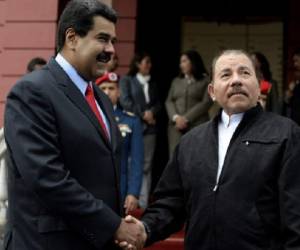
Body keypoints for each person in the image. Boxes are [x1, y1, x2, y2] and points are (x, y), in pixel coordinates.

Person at [120, 49, 300, 250]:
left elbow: (295, 212)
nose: (236, 80)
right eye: (226, 75)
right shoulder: (191, 142)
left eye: (245, 73)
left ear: (259, 87)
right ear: (212, 92)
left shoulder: (285, 133)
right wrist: (146, 228)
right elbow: (171, 201)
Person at [3, 1, 145, 250]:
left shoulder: (101, 98)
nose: (110, 50)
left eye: (112, 41)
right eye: (102, 39)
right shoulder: (32, 92)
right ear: (72, 38)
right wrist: (113, 225)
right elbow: (46, 177)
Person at [96, 72, 144, 215]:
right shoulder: (86, 117)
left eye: (111, 88)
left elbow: (136, 160)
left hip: (119, 190)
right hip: (91, 191)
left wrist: (133, 192)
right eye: (103, 88)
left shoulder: (132, 121)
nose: (107, 92)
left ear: (118, 92)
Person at [119, 52, 161, 209]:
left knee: (146, 165)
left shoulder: (153, 83)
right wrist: (143, 114)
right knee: (130, 163)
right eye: (146, 62)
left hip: (150, 129)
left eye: (150, 63)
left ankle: (142, 202)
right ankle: (129, 197)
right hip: (132, 127)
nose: (149, 65)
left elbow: (158, 104)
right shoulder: (127, 80)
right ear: (137, 64)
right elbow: (125, 101)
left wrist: (152, 113)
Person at [165, 49, 212, 157]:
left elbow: (206, 102)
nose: (181, 65)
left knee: (196, 157)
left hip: (197, 126)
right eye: (181, 62)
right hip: (176, 128)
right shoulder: (176, 81)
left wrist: (185, 118)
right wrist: (176, 118)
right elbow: (169, 101)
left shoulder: (206, 81)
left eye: (184, 61)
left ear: (193, 62)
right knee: (175, 158)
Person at [285, 48, 300, 125]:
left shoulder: (266, 81)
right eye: (294, 61)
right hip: (294, 121)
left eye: (297, 61)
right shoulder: (295, 80)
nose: (295, 64)